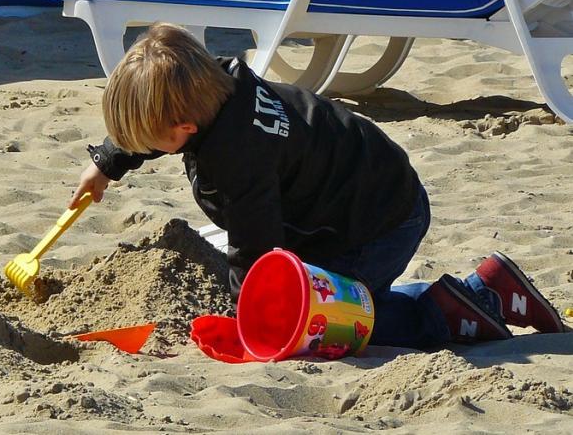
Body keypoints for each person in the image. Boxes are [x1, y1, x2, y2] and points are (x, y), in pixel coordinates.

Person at [70, 23, 565, 349]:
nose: (146, 147)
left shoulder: (239, 161)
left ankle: (452, 314)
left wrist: (248, 322)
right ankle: (488, 287)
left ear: (185, 129)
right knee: (329, 298)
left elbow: (254, 248)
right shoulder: (216, 85)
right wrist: (110, 161)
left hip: (377, 222)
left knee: (323, 322)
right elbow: (163, 118)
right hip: (366, 186)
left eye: (149, 141)